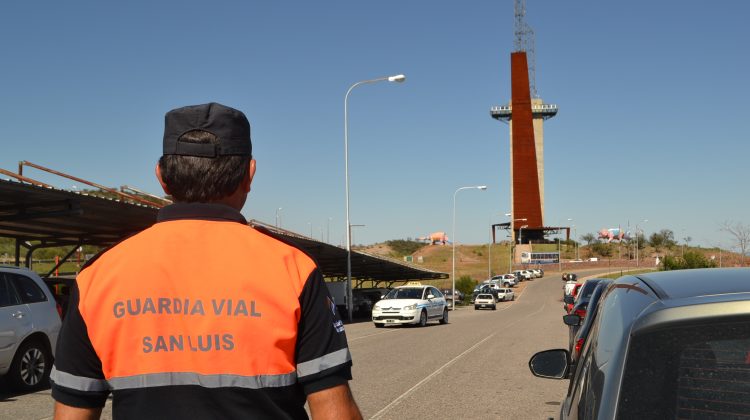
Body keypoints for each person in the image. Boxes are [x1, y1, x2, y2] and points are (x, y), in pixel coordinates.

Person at [50, 102, 362, 420]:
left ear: (161, 176)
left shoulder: (98, 275)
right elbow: (334, 409)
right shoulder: (293, 268)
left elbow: (72, 412)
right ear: (249, 174)